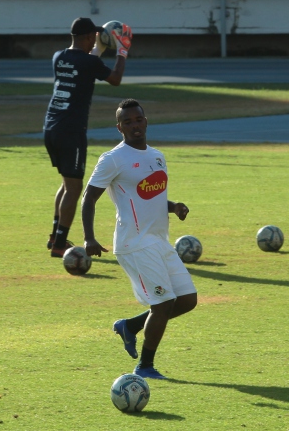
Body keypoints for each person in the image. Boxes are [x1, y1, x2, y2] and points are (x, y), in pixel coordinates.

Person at [81, 99, 198, 380]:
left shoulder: (157, 156)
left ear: (146, 121)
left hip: (159, 240)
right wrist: (89, 238)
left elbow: (150, 194)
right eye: (128, 122)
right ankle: (145, 366)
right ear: (119, 127)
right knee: (162, 304)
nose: (135, 125)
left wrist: (174, 207)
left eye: (138, 119)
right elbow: (89, 198)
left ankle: (130, 326)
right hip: (134, 243)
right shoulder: (112, 159)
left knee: (187, 300)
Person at [45, 17, 132, 258]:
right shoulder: (89, 62)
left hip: (51, 127)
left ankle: (55, 236)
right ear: (87, 37)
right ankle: (60, 244)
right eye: (94, 36)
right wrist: (122, 51)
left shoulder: (59, 57)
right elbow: (115, 79)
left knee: (66, 184)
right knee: (74, 187)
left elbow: (85, 61)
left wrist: (99, 48)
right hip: (71, 130)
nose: (96, 38)